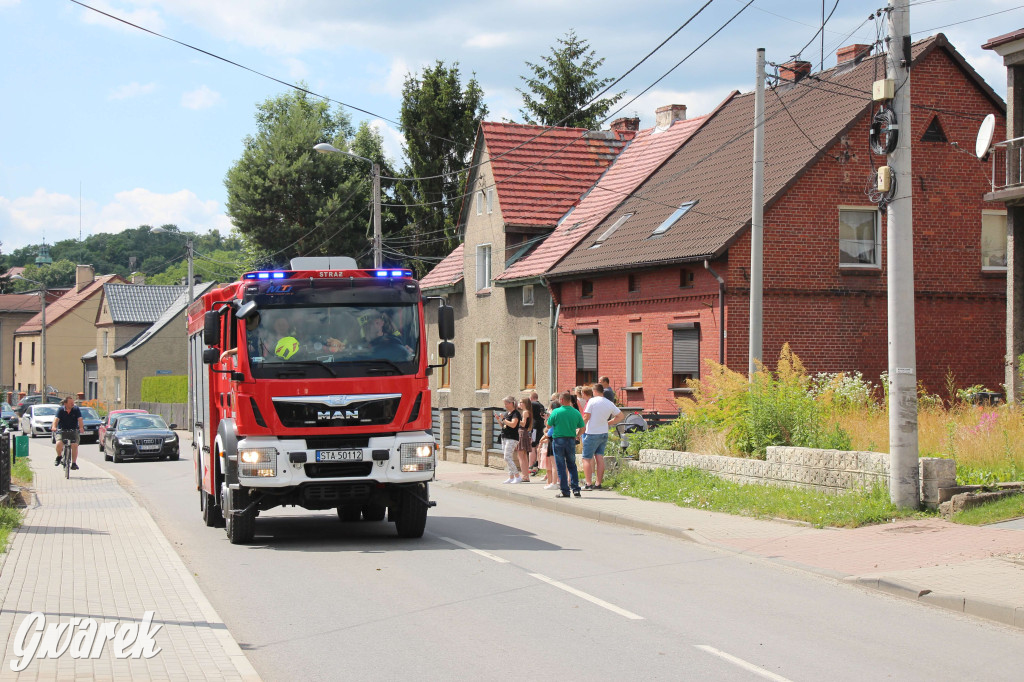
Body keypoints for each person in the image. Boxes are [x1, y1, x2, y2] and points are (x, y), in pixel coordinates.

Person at [582, 383, 624, 490]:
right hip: (603, 432)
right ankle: (598, 483)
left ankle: (588, 483)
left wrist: (580, 428)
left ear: (594, 391)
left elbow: (586, 416)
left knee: (586, 458)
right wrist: (608, 423)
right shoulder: (609, 403)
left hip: (591, 433)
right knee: (599, 457)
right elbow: (620, 416)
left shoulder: (592, 401)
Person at [547, 392, 585, 498]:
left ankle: (565, 491)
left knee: (561, 466)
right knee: (572, 465)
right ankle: (576, 490)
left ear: (562, 400)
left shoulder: (556, 412)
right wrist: (577, 435)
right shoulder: (576, 412)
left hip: (558, 440)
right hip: (570, 440)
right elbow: (583, 428)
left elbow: (548, 425)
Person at [52, 395, 84, 470]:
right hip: (62, 430)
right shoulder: (60, 410)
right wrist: (54, 427)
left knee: (75, 445)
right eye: (70, 403)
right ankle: (59, 456)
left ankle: (74, 463)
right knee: (59, 443)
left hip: (73, 430)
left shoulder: (76, 409)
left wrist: (81, 427)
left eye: (73, 402)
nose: (73, 404)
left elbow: (80, 419)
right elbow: (56, 420)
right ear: (65, 404)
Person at [495, 397, 522, 483]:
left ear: (511, 403)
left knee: (507, 457)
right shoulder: (507, 413)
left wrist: (503, 419)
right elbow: (504, 426)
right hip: (504, 436)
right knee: (508, 457)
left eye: (506, 403)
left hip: (512, 438)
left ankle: (517, 476)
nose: (505, 405)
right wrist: (499, 420)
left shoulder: (516, 413)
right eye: (505, 404)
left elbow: (513, 425)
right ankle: (511, 477)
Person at [515, 397, 533, 483]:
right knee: (524, 456)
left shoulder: (525, 412)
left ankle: (524, 475)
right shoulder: (526, 412)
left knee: (521, 456)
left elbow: (523, 423)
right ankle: (526, 475)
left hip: (522, 433)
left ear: (525, 403)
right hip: (524, 433)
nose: (520, 403)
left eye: (521, 402)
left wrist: (517, 418)